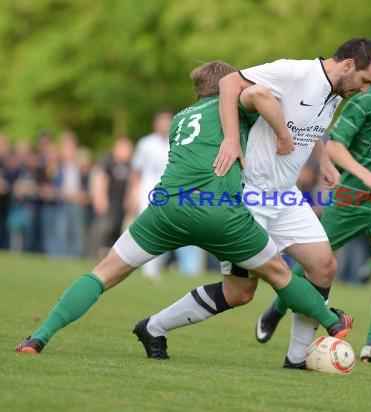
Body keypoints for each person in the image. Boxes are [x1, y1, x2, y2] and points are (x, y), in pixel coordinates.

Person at [14, 61, 352, 356]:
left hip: (166, 209)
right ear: (227, 87)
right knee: (279, 274)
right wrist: (280, 134)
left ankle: (38, 337)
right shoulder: (235, 103)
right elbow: (261, 96)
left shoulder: (178, 119)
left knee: (102, 273)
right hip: (219, 212)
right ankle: (333, 323)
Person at [135, 37, 371, 367]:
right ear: (349, 65)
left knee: (324, 266)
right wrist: (230, 139)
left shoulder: (336, 90)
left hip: (285, 194)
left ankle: (298, 359)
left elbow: (308, 127)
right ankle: (153, 327)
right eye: (365, 81)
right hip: (251, 195)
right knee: (240, 293)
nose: (365, 89)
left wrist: (323, 159)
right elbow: (229, 83)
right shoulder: (294, 72)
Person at [255, 37, 371, 364]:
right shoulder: (364, 100)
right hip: (352, 199)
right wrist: (366, 175)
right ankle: (278, 307)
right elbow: (336, 146)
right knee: (317, 265)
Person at [127, 111, 203, 279]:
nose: (164, 125)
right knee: (149, 229)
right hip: (148, 191)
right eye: (161, 122)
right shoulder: (146, 144)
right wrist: (132, 195)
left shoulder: (181, 142)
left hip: (173, 192)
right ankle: (147, 268)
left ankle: (176, 268)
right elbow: (136, 172)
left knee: (173, 229)